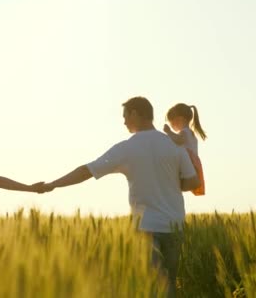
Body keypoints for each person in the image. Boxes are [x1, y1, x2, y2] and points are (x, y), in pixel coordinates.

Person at [42, 97, 200, 298]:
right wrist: (167, 182)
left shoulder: (126, 148)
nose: (124, 121)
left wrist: (53, 184)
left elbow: (86, 171)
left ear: (135, 113)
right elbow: (192, 183)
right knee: (168, 284)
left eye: (125, 116)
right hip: (175, 225)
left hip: (146, 228)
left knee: (154, 287)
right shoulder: (174, 144)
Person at [163, 103, 207, 196]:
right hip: (194, 164)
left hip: (188, 163)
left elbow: (179, 140)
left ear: (179, 119)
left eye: (172, 123)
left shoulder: (184, 132)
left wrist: (168, 132)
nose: (171, 126)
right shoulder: (191, 133)